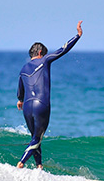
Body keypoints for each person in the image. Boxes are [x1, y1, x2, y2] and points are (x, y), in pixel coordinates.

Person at [16, 20, 83, 169]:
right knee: (37, 138)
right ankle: (21, 163)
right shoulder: (44, 60)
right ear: (40, 53)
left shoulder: (23, 68)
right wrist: (77, 35)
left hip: (27, 106)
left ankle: (39, 166)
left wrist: (20, 100)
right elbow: (63, 49)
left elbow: (20, 87)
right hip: (41, 105)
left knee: (35, 138)